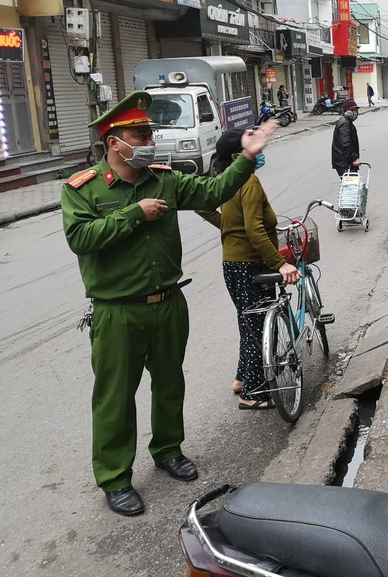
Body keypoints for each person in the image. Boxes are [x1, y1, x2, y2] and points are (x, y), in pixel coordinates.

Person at [61, 92, 275, 517]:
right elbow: (80, 239)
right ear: (113, 141)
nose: (148, 141)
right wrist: (135, 214)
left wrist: (246, 158)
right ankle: (115, 477)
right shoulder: (82, 189)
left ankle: (168, 450)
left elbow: (214, 189)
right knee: (115, 397)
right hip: (117, 309)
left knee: (169, 383)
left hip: (168, 301)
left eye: (149, 133)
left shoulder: (165, 179)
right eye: (139, 134)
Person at [196, 130, 300, 411]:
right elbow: (254, 230)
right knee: (257, 325)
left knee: (248, 321)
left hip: (233, 265)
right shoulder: (248, 180)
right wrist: (280, 263)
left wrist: (230, 230)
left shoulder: (228, 180)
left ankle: (243, 378)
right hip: (250, 264)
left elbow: (202, 206)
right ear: (236, 156)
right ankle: (252, 392)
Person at [331, 98, 361, 177]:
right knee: (351, 186)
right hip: (344, 162)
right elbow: (345, 143)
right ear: (346, 111)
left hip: (344, 162)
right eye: (352, 110)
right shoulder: (345, 124)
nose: (355, 112)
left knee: (351, 186)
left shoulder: (347, 122)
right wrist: (354, 158)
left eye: (356, 110)